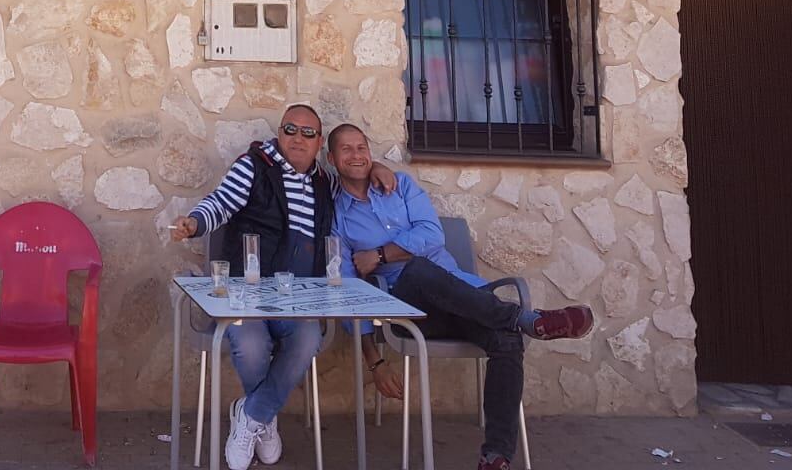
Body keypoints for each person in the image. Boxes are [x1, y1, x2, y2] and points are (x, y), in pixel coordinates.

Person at [327, 123, 594, 470]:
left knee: (505, 340)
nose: (356, 155)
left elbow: (432, 235)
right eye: (346, 149)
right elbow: (349, 290)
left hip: (464, 296)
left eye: (361, 147)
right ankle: (527, 319)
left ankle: (495, 456)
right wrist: (374, 362)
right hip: (412, 314)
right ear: (332, 159)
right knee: (419, 270)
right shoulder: (338, 216)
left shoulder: (401, 186)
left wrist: (379, 255)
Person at [168, 105, 396, 470]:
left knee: (309, 340)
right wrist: (194, 224)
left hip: (300, 301)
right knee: (251, 345)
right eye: (291, 129)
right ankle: (265, 417)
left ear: (319, 142)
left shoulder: (326, 181)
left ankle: (251, 414)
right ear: (280, 132)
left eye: (308, 133)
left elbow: (357, 175)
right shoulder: (254, 166)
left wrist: (379, 168)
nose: (298, 138)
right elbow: (221, 204)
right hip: (248, 295)